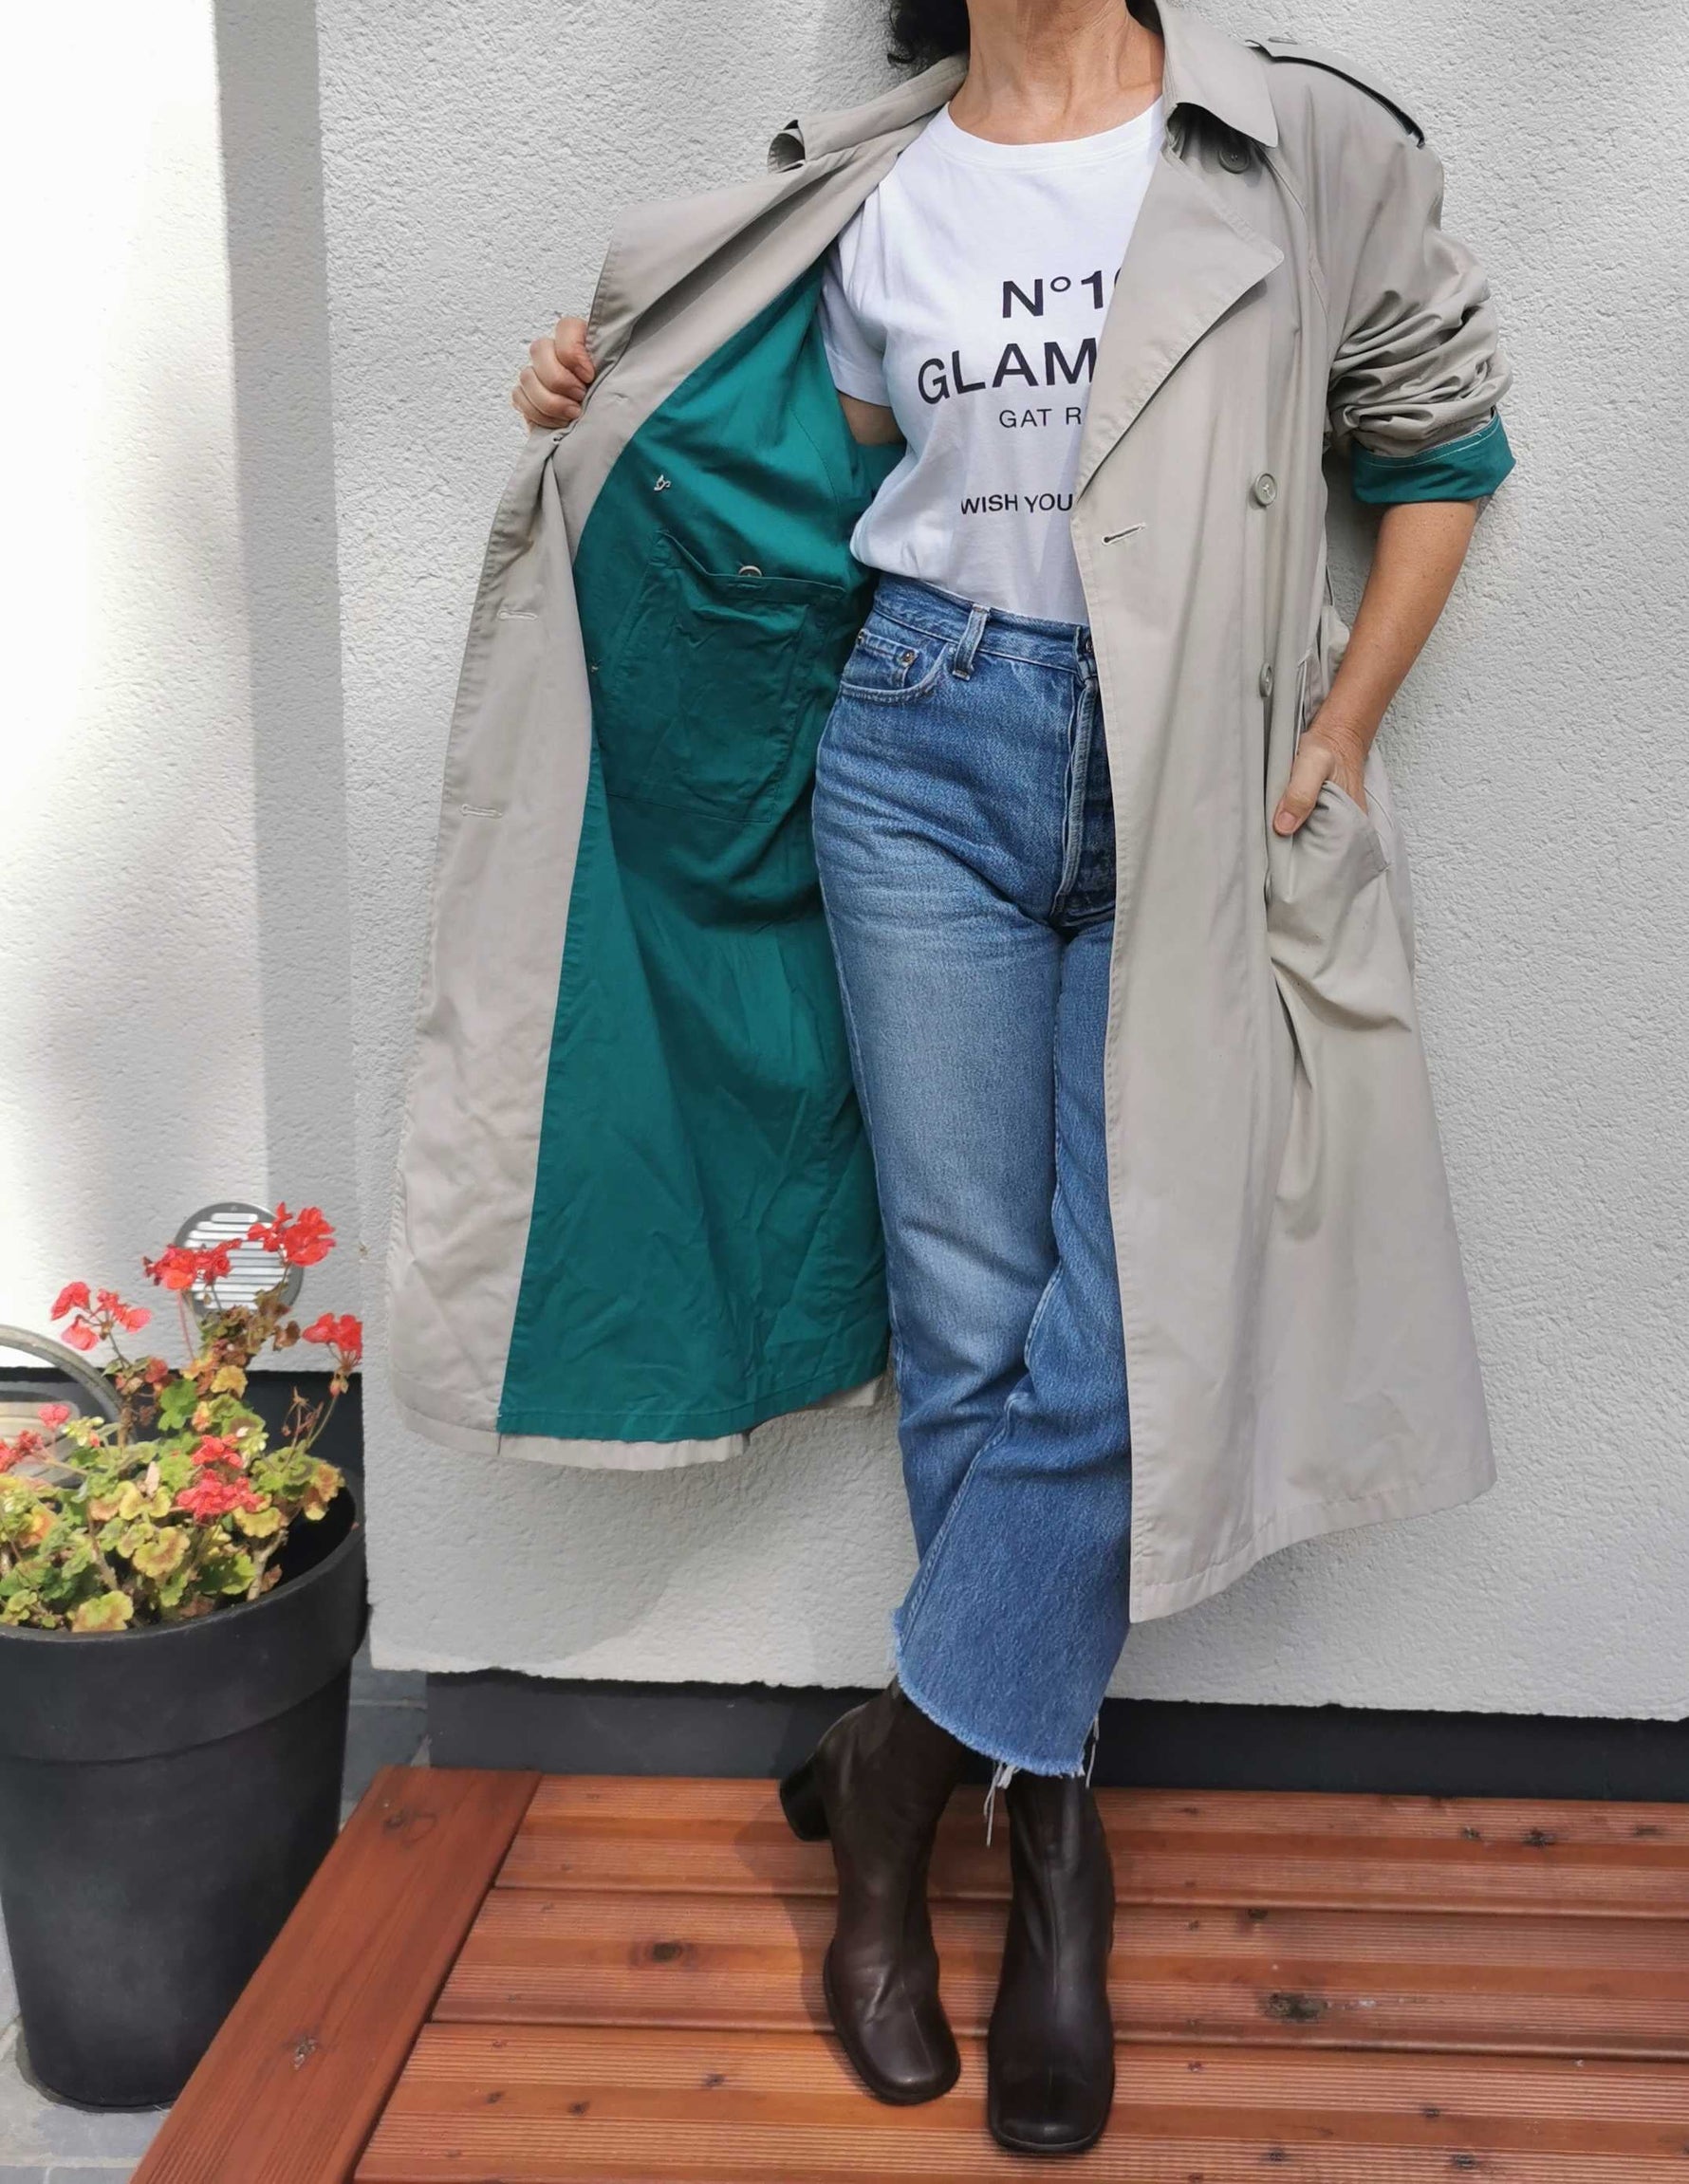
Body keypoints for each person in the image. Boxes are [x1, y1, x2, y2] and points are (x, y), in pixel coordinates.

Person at [491, 0, 1513, 2157]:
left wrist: (1339, 731)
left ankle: (893, 1766)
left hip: (1189, 773)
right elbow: (797, 477)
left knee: (1133, 1320)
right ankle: (1049, 1847)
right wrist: (601, 396)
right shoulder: (868, 192)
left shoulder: (1288, 145)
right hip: (918, 746)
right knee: (968, 1327)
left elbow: (1437, 448)